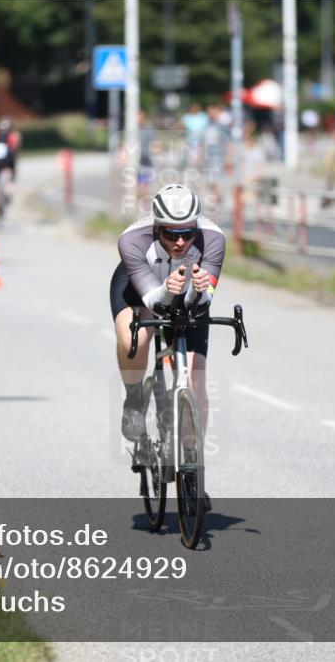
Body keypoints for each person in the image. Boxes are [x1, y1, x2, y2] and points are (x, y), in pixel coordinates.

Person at [112, 185, 225, 506]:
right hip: (140, 287)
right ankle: (134, 399)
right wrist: (167, 289)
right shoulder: (132, 239)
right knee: (135, 338)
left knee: (195, 379)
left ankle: (194, 471)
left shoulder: (214, 238)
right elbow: (153, 301)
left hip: (187, 291)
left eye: (188, 234)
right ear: (156, 227)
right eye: (171, 234)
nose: (180, 242)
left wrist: (198, 291)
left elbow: (202, 302)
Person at [180, 103, 209, 169]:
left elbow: (206, 127)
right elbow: (182, 126)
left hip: (200, 138)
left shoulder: (203, 116)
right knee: (189, 154)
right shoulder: (187, 117)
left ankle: (199, 167)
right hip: (189, 138)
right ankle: (190, 167)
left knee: (199, 154)